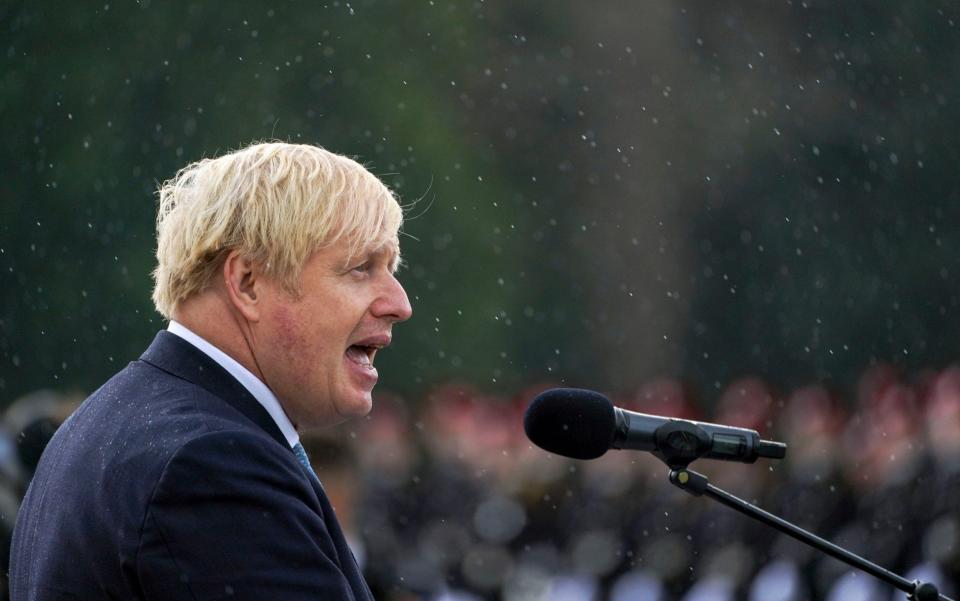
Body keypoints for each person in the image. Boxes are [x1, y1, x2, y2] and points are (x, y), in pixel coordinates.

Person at [9, 142, 413, 600]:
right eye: (361, 268)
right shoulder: (212, 462)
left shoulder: (113, 424)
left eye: (392, 269)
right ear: (247, 282)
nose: (400, 304)